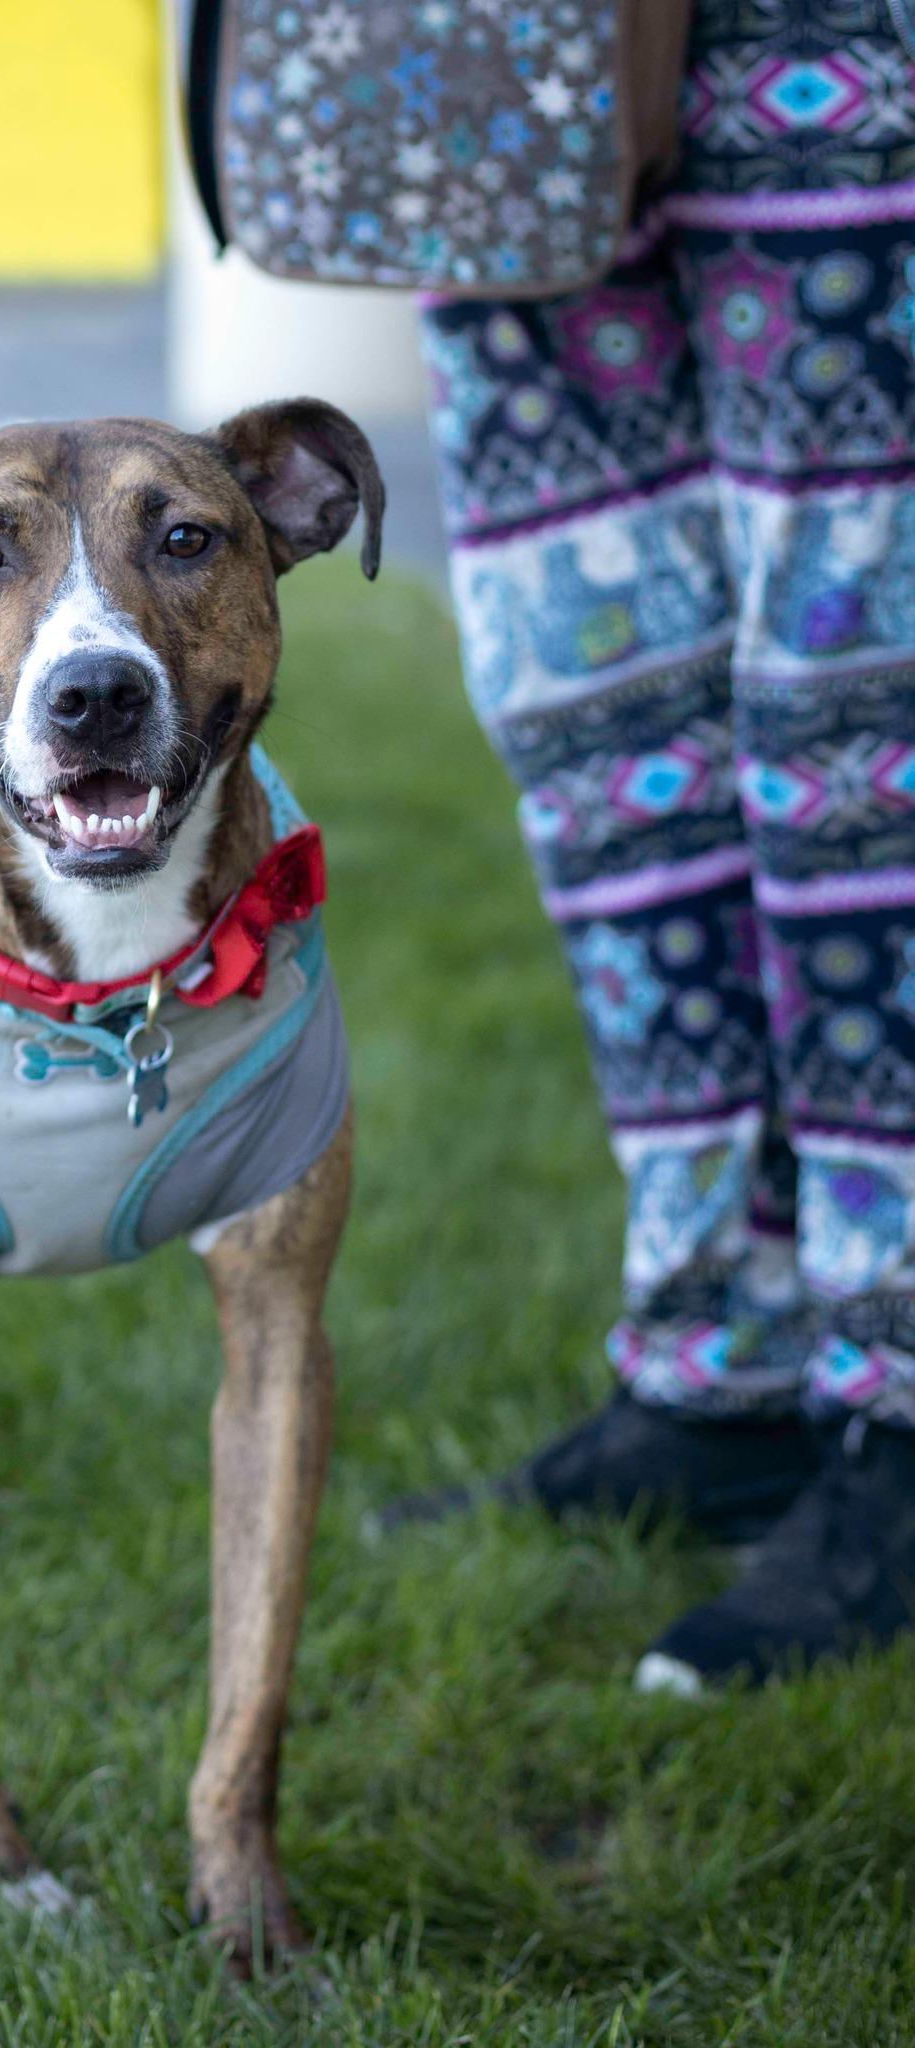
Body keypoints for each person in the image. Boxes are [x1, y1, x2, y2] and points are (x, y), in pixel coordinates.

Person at [376, 1, 915, 1695]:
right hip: (508, 44)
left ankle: (898, 1389)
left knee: (863, 729)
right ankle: (725, 1359)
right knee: (605, 721)